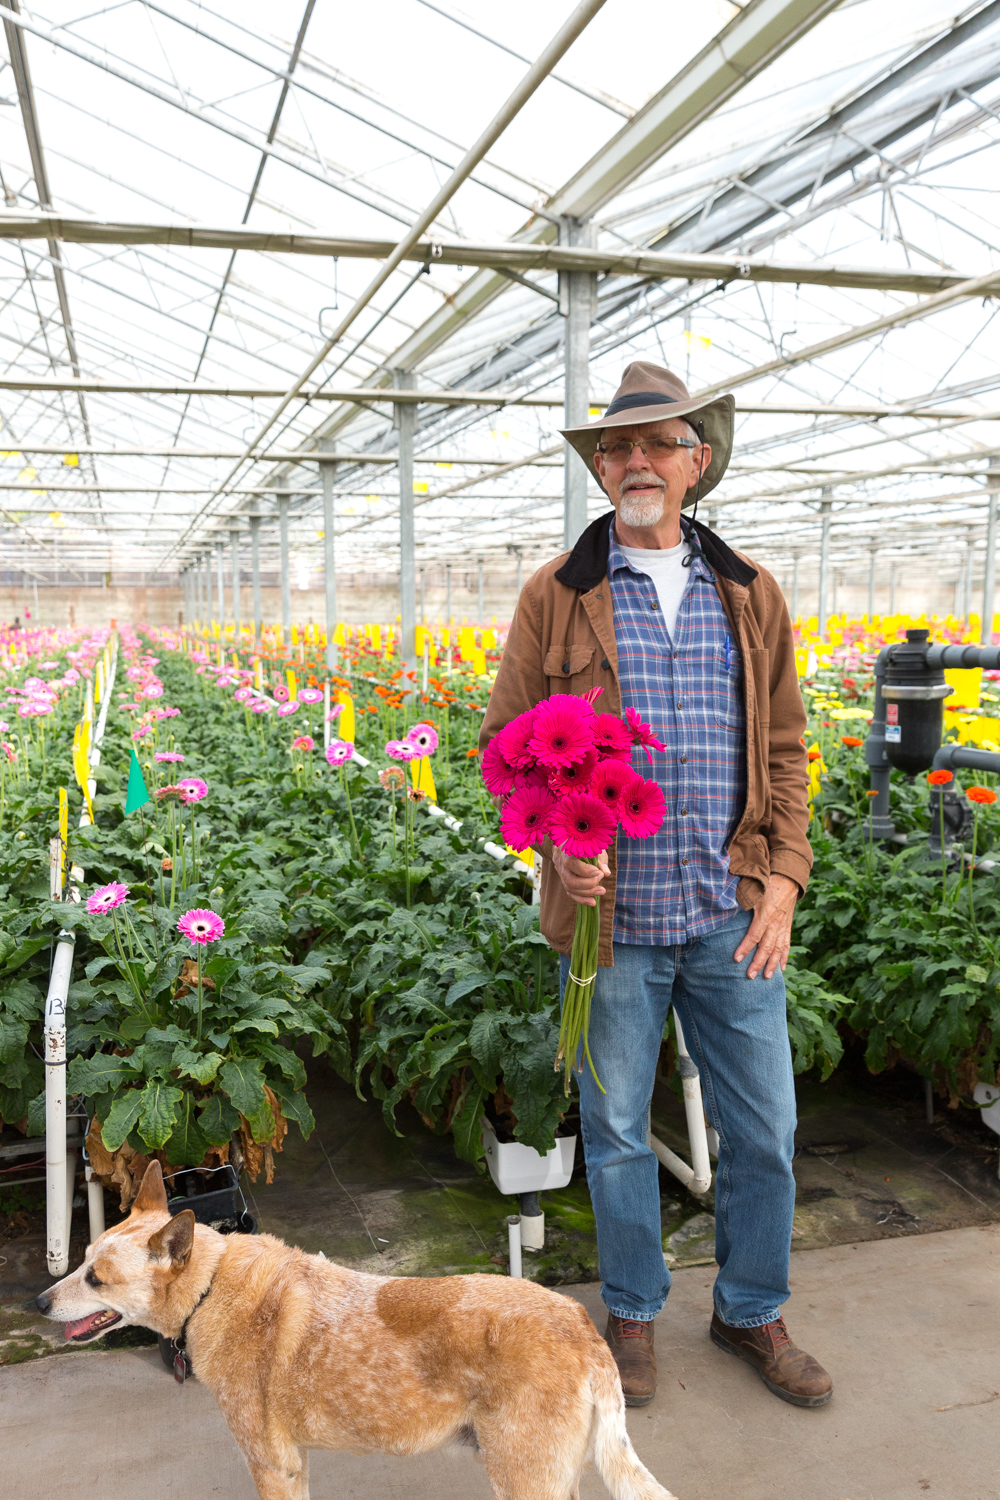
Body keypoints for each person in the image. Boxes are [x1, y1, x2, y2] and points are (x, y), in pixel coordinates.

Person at [480, 362, 831, 1410]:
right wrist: (556, 848)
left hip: (732, 910)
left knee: (763, 1129)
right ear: (599, 467)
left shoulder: (749, 591)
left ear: (698, 462)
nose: (639, 460)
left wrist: (783, 885)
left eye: (661, 443)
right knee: (621, 1129)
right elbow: (502, 745)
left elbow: (784, 749)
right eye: (620, 447)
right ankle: (629, 1315)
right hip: (612, 917)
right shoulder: (558, 593)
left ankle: (749, 1308)